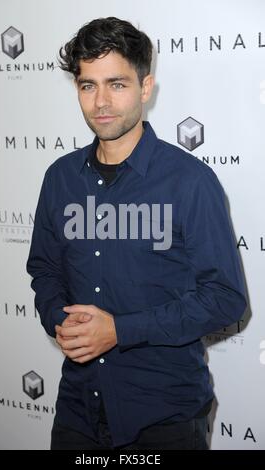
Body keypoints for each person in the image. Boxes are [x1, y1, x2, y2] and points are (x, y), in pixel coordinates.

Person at [26, 17, 247, 450]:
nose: (101, 102)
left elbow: (225, 297)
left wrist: (121, 330)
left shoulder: (189, 181)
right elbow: (44, 269)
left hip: (163, 417)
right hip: (77, 410)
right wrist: (60, 319)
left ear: (145, 88)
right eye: (88, 86)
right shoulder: (60, 178)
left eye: (117, 84)